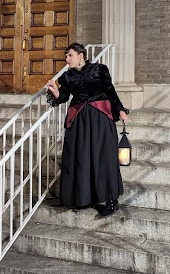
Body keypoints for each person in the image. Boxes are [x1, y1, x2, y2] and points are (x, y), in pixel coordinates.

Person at [46, 43, 128, 217]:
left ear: (81, 55)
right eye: (66, 56)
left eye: (70, 55)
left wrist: (120, 109)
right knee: (81, 158)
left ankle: (111, 200)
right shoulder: (67, 76)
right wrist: (55, 91)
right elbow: (63, 97)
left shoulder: (99, 69)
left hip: (100, 118)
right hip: (79, 120)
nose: (67, 59)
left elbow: (110, 90)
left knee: (103, 157)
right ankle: (84, 198)